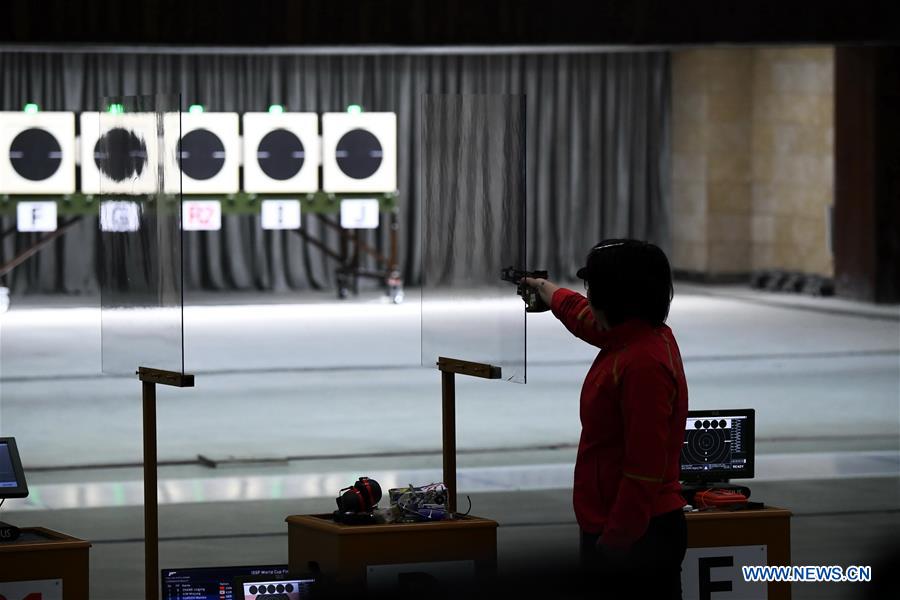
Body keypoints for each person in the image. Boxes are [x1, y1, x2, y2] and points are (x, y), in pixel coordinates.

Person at [522, 239, 689, 599]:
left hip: (636, 534)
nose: (589, 296)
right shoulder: (635, 334)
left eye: (593, 289)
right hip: (621, 524)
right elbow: (582, 317)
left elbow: (644, 468)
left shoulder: (643, 363)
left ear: (614, 297)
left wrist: (616, 541)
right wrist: (544, 288)